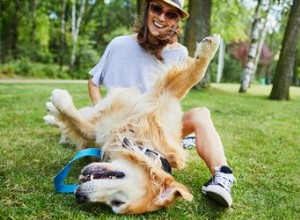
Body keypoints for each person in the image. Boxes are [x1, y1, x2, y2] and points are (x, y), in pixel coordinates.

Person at [88, 0, 235, 207]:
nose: (161, 18)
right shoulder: (118, 44)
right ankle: (187, 141)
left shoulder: (179, 53)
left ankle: (222, 176)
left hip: (156, 126)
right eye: (157, 8)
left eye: (171, 14)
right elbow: (93, 82)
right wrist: (99, 115)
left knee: (201, 113)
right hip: (121, 128)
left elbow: (173, 98)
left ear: (176, 22)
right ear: (147, 9)